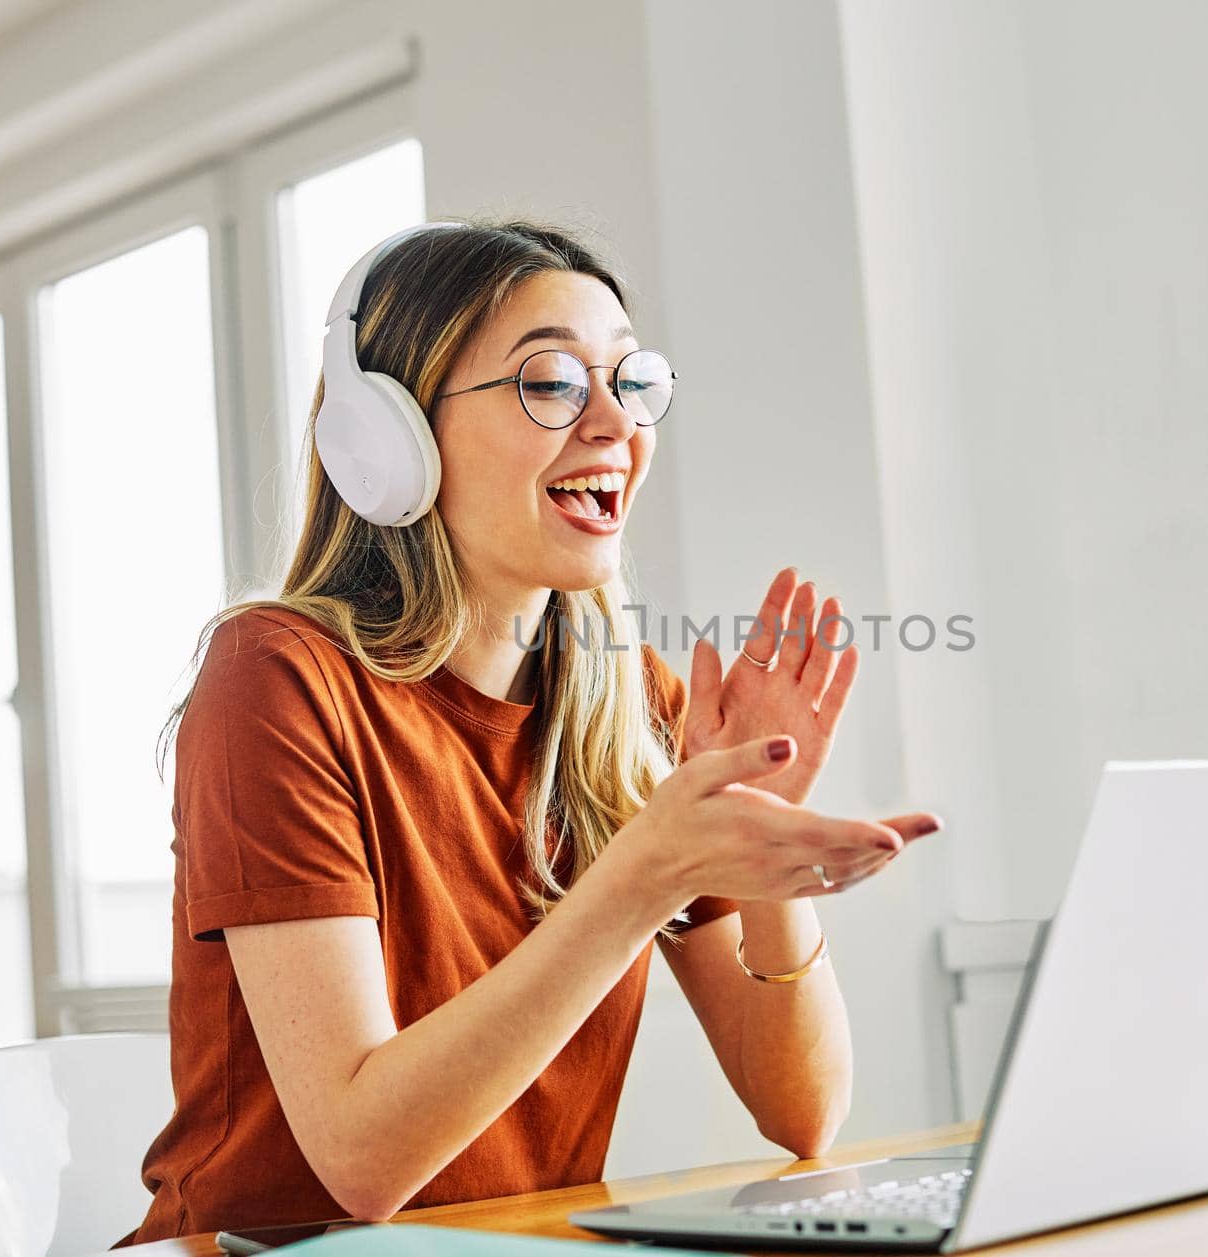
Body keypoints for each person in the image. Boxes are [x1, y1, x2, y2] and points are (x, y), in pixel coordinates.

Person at [118, 217, 942, 1244]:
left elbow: (804, 1113)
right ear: (388, 438)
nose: (613, 425)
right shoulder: (278, 678)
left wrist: (760, 842)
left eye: (630, 383)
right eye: (550, 382)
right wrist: (640, 880)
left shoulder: (628, 705)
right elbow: (362, 1164)